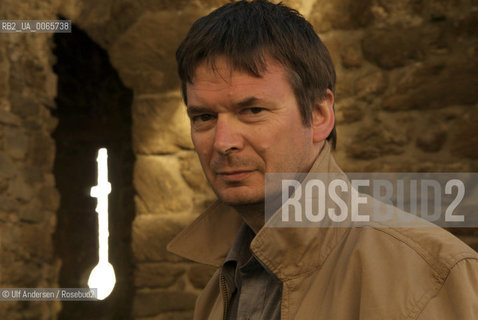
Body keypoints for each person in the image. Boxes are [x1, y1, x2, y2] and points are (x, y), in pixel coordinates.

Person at [167, 1, 478, 319]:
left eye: (253, 111)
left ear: (319, 115)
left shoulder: (428, 277)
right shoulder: (216, 295)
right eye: (204, 116)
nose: (223, 143)